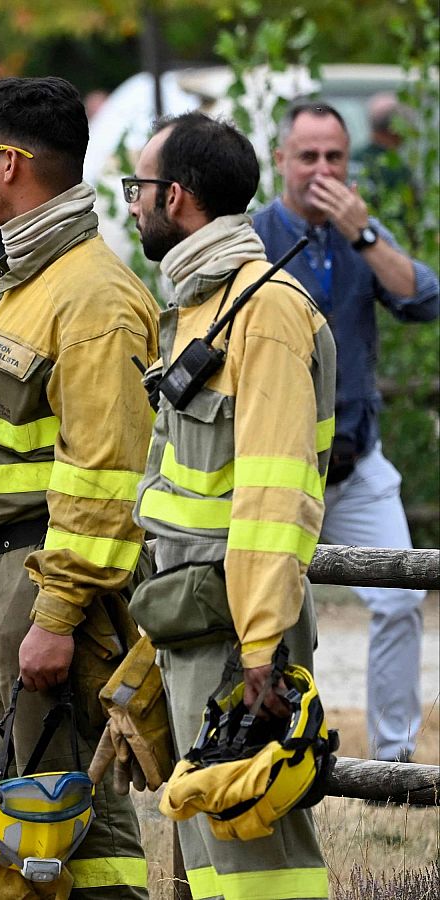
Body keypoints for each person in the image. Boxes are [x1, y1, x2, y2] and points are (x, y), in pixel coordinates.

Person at [0, 77, 156, 900]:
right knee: (12, 807)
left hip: (42, 584)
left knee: (60, 809)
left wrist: (57, 617)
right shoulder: (15, 280)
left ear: (13, 162)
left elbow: (105, 476)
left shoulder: (94, 296)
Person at [128, 111, 335, 900]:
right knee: (214, 857)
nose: (132, 203)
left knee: (260, 861)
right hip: (193, 620)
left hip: (240, 636)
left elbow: (274, 500)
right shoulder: (196, 307)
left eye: (139, 187)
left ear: (176, 196)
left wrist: (261, 649)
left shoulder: (267, 312)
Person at [252, 100, 438, 762]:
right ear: (281, 161)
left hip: (356, 467)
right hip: (270, 474)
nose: (322, 170)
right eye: (308, 156)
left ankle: (392, 761)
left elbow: (424, 299)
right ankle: (266, 751)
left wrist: (363, 235)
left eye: (335, 156)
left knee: (401, 597)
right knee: (255, 620)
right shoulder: (253, 236)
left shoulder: (363, 234)